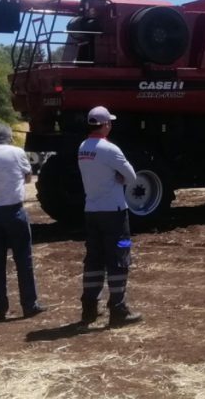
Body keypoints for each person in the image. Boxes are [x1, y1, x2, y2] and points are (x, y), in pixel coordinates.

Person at [77, 106, 142, 327]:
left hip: (91, 211)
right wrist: (118, 178)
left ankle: (89, 308)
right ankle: (118, 308)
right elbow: (131, 176)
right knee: (119, 256)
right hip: (114, 212)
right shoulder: (110, 149)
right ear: (105, 125)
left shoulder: (83, 148)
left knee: (94, 259)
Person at [0, 123, 45, 321]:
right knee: (24, 259)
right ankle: (29, 304)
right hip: (14, 210)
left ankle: (0, 307)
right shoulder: (17, 152)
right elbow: (27, 177)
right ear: (9, 137)